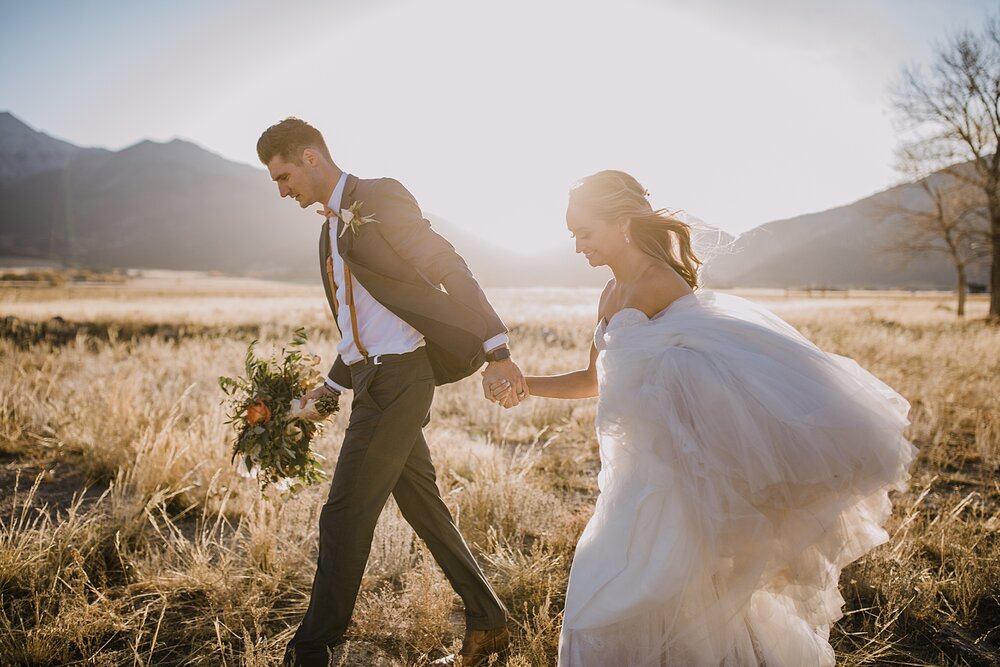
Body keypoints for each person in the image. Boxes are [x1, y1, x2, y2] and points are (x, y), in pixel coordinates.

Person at [489, 170, 916, 666]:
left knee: (665, 590)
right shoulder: (609, 293)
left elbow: (713, 377)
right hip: (626, 472)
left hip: (669, 472)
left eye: (585, 232)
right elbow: (592, 379)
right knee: (614, 585)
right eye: (572, 236)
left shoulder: (664, 287)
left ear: (622, 223)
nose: (578, 246)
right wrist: (526, 385)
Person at [257, 117, 526, 667]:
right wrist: (328, 392)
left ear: (311, 157)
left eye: (284, 176)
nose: (283, 191)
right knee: (422, 506)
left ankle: (310, 652)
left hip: (400, 377)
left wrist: (497, 347)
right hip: (374, 377)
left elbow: (446, 264)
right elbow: (359, 332)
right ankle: (489, 619)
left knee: (345, 514)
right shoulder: (326, 229)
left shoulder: (378, 197)